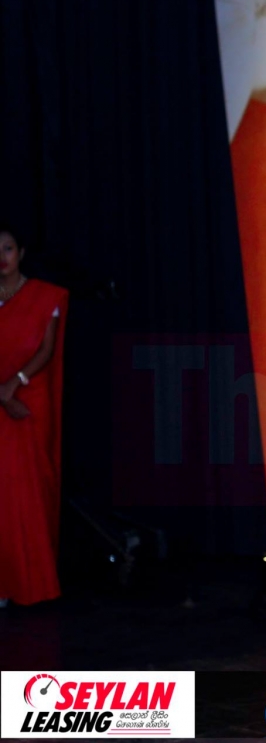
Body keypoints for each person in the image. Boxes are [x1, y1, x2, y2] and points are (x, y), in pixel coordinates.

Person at [0, 225, 69, 608]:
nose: (2, 257)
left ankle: (31, 583)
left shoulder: (45, 297)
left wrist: (14, 385)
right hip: (1, 396)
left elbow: (46, 349)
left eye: (8, 248)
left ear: (21, 253)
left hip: (30, 396)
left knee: (28, 486)